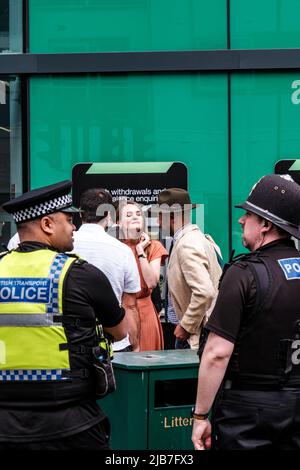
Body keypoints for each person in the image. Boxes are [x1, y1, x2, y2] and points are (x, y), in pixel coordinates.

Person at [0, 180, 127, 450]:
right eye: (69, 220)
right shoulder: (80, 273)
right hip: (72, 424)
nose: (74, 228)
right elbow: (120, 332)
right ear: (47, 224)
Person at [192, 174, 300, 451]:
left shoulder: (244, 274)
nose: (241, 221)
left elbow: (217, 353)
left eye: (249, 215)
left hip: (249, 411)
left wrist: (201, 415)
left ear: (265, 224)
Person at [151, 188, 222, 350]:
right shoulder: (197, 238)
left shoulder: (187, 244)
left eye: (160, 217)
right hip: (197, 334)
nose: (158, 223)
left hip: (193, 337)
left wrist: (186, 325)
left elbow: (204, 292)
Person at [72, 188, 141, 352]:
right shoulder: (123, 251)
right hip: (115, 344)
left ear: (81, 214)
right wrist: (135, 344)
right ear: (109, 216)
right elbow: (130, 305)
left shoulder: (64, 245)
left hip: (71, 342)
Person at [117, 200, 168, 351]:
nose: (135, 217)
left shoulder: (154, 246)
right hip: (123, 312)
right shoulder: (115, 248)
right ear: (119, 223)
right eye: (129, 214)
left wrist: (140, 251)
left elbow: (152, 282)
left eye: (138, 214)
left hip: (146, 312)